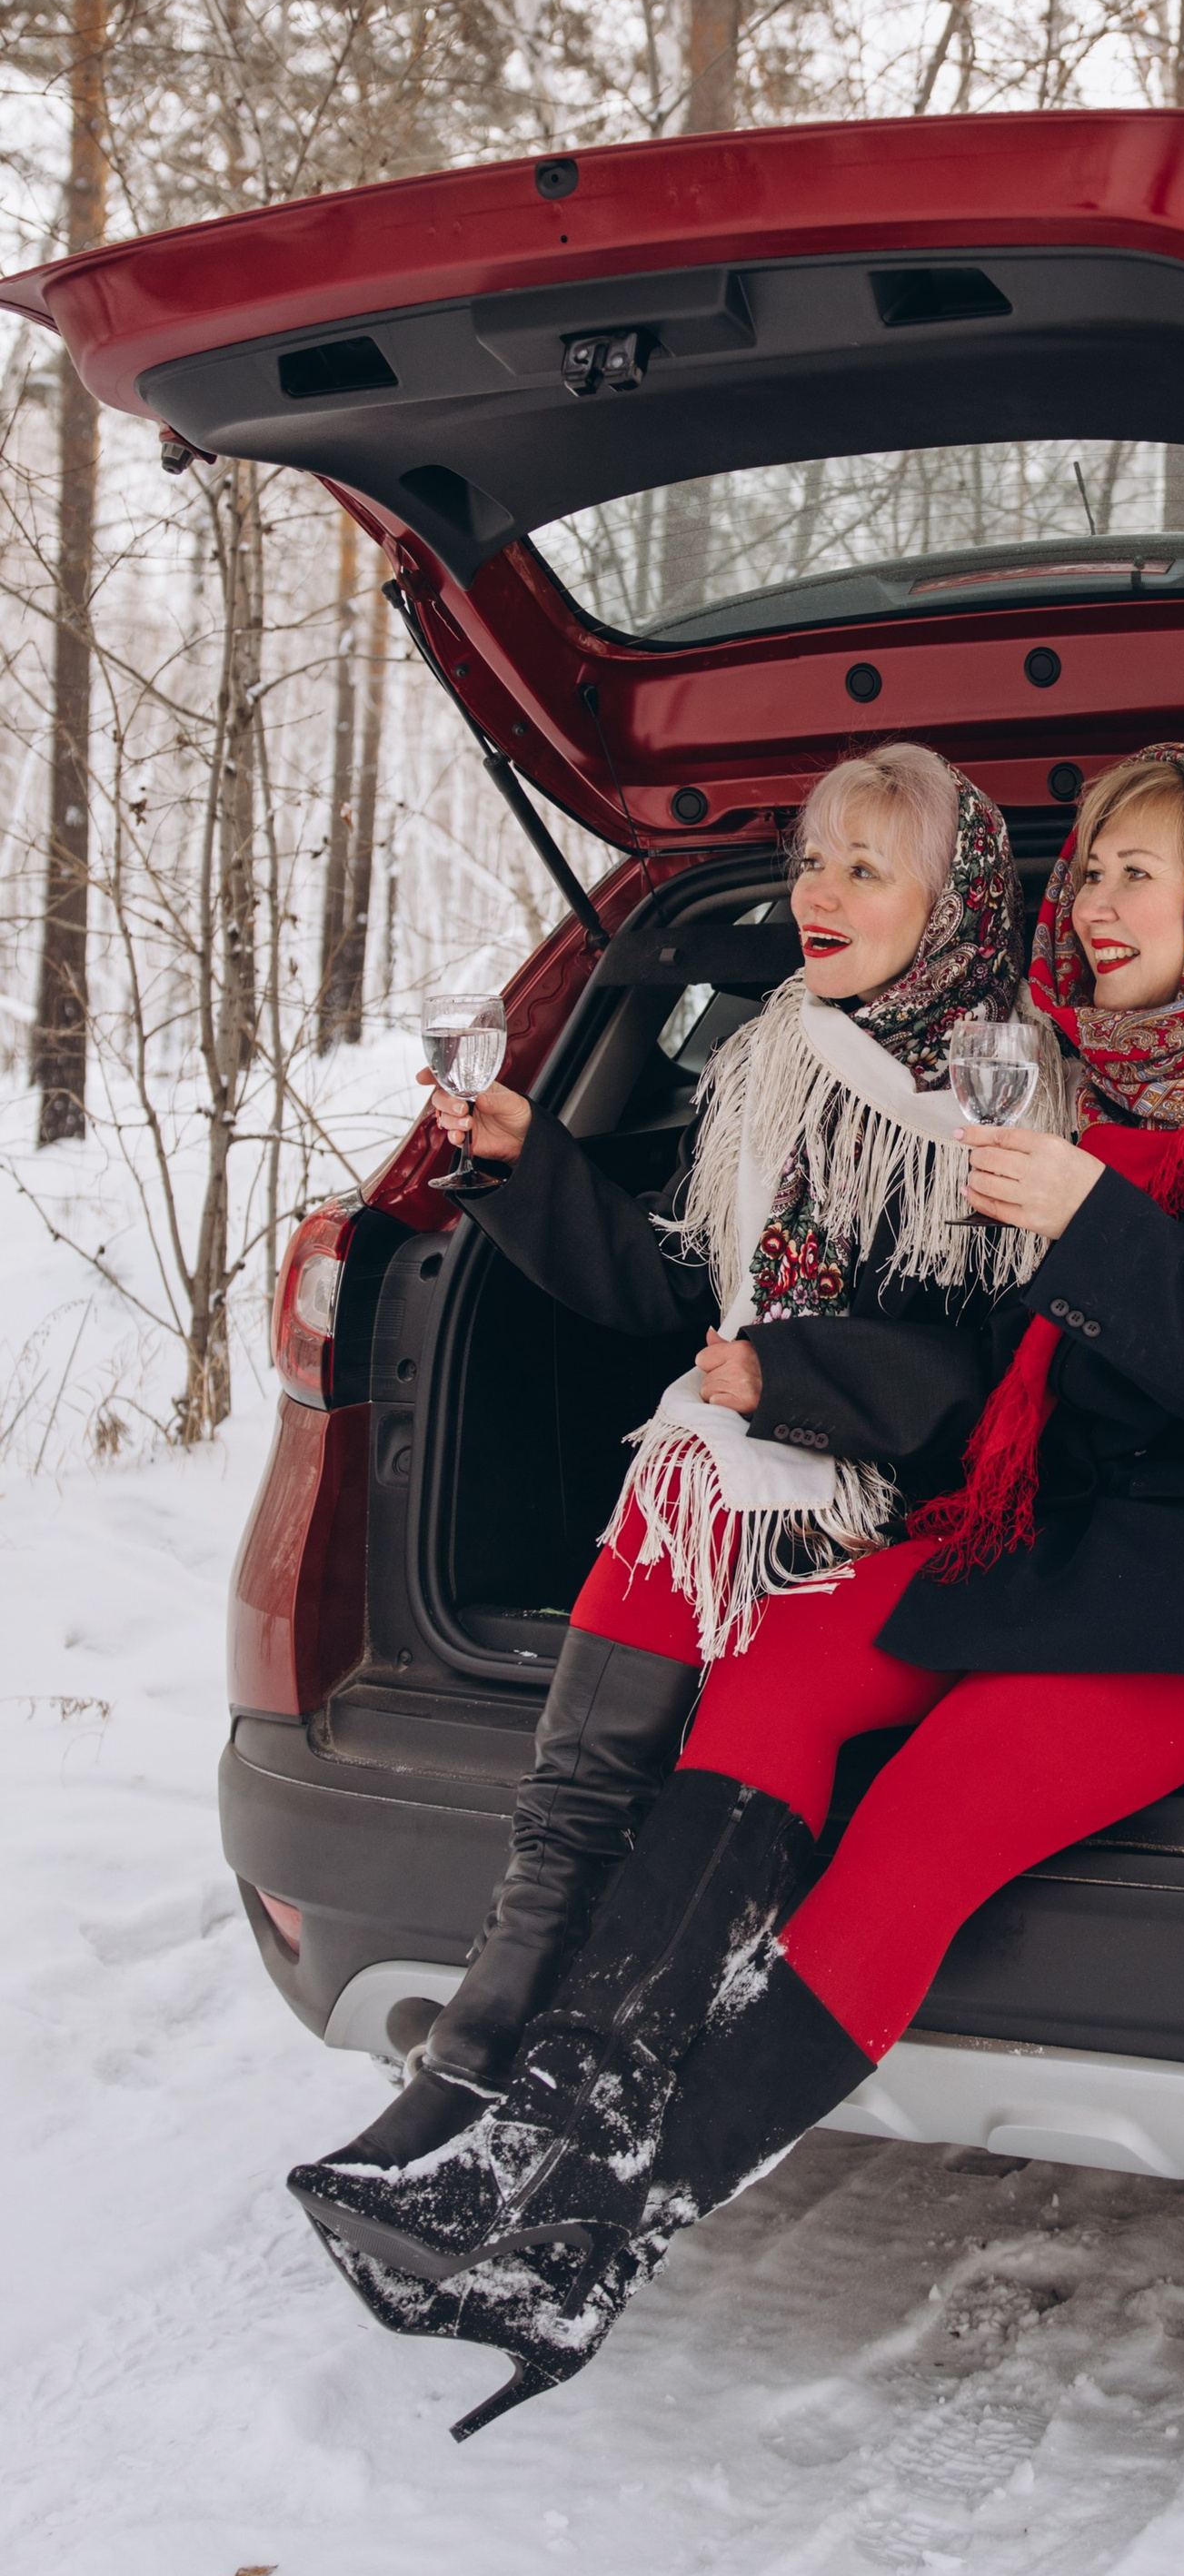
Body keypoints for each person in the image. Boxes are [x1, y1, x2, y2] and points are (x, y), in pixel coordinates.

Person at [290, 746, 1184, 2437]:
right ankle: (563, 2107)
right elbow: (974, 1354)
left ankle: (603, 2232)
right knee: (783, 1666)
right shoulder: (1094, 1084)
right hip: (1067, 1535)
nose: (1103, 903)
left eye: (1146, 871)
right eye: (1098, 873)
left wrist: (1093, 1233)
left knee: (928, 1814)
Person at [333, 742, 1050, 2164]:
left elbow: (1009, 1378)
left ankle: (503, 2048)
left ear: (953, 901)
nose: (815, 893)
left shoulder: (1008, 1093)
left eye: (863, 866)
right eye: (809, 860)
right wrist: (523, 1160)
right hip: (749, 1463)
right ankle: (487, 2039)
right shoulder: (774, 1053)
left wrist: (793, 1378)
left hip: (920, 1507)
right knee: (682, 1481)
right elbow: (678, 1287)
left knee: (693, 1466)